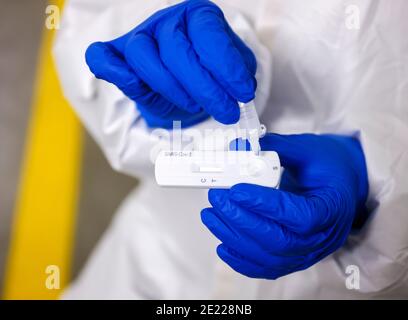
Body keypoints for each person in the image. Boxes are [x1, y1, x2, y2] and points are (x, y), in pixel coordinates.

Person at [54, 0, 408, 299]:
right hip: (159, 264)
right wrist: (155, 64)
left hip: (334, 286)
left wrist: (377, 178)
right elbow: (90, 21)